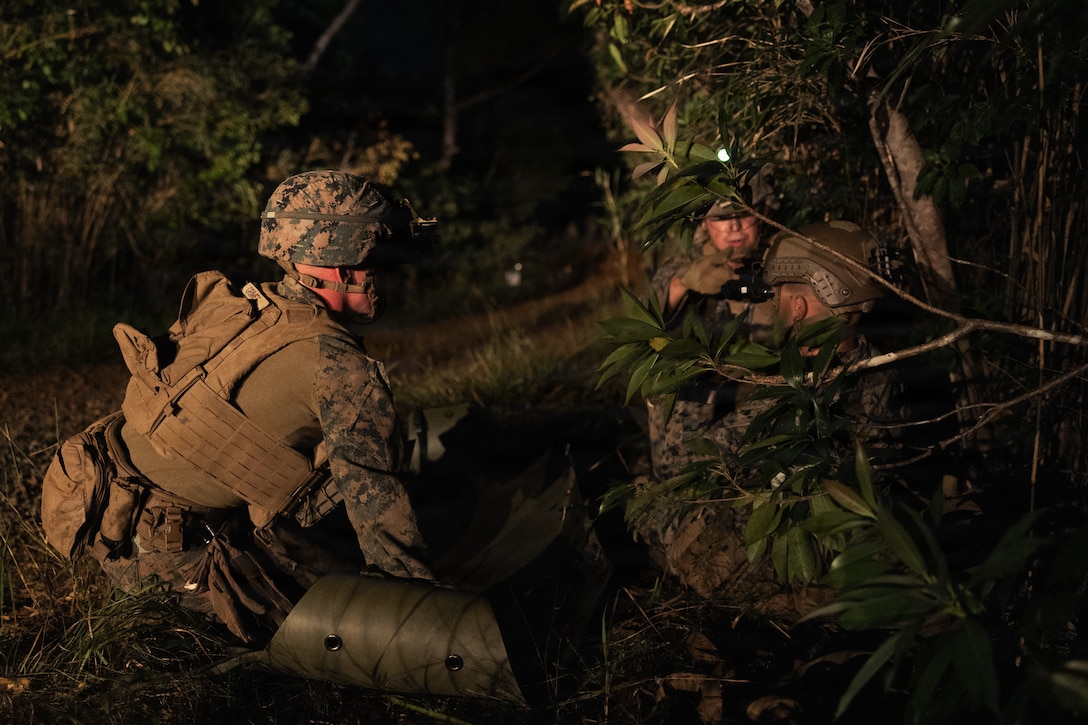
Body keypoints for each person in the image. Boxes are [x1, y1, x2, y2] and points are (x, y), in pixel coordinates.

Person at [43, 170, 439, 644]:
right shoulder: (341, 368)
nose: (386, 274)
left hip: (114, 525)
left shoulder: (243, 309)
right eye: (380, 260)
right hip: (175, 566)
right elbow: (383, 523)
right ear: (345, 266)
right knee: (335, 606)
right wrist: (420, 610)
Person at [634, 220, 903, 606]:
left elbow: (685, 466)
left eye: (778, 293)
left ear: (797, 307)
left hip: (753, 568)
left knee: (650, 500)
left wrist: (685, 387)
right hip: (849, 537)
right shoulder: (884, 369)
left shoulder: (789, 398)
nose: (771, 301)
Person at [646, 189, 777, 479]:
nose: (734, 227)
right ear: (705, 224)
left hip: (761, 396)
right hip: (696, 402)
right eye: (721, 218)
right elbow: (646, 315)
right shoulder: (686, 264)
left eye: (743, 214)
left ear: (761, 214)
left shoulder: (781, 260)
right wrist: (685, 283)